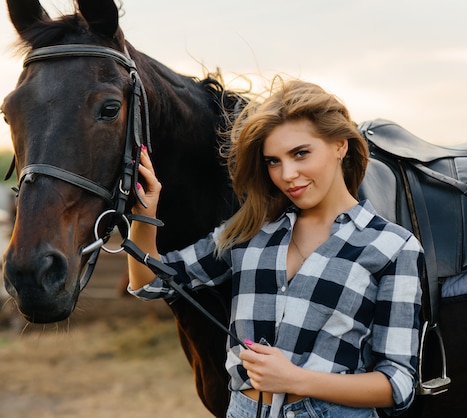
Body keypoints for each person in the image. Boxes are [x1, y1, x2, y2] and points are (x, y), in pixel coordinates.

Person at [127, 78, 423, 418]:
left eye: (300, 153)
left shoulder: (391, 247)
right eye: (273, 161)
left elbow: (398, 383)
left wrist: (296, 379)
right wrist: (145, 215)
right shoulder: (250, 233)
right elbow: (151, 283)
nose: (288, 174)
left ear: (340, 145)